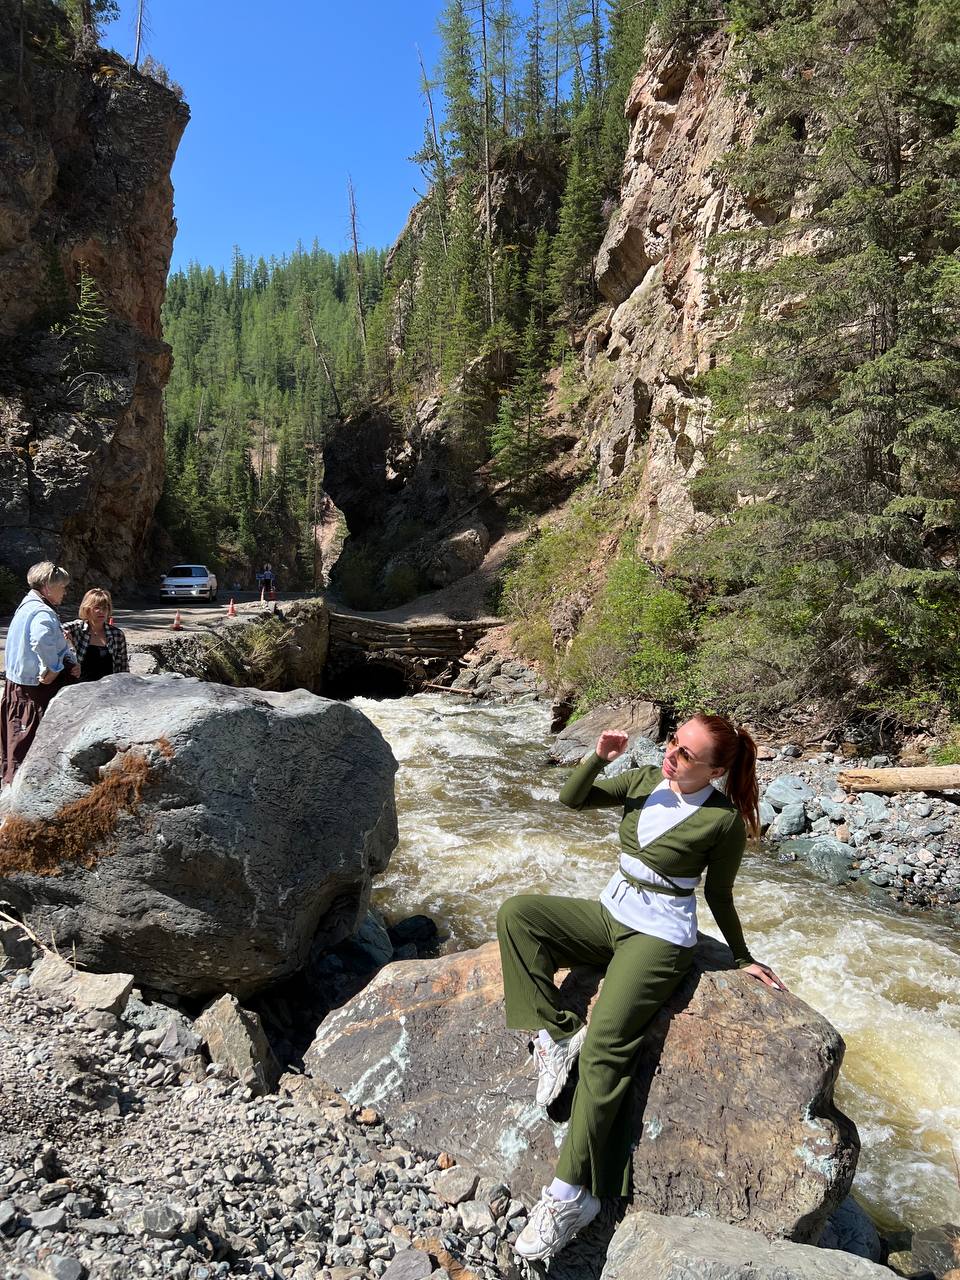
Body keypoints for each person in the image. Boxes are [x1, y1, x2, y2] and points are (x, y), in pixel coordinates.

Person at [496, 715, 788, 1263]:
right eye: (673, 743)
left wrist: (743, 956)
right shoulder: (640, 783)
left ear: (717, 770)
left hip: (659, 939)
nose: (671, 756)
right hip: (610, 913)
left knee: (607, 1046)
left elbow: (720, 896)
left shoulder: (722, 823)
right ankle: (557, 1035)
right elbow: (570, 799)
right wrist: (598, 758)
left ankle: (570, 1196)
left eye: (686, 754)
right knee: (518, 914)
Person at [1, 562, 79, 785]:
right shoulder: (41, 611)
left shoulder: (26, 605)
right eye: (62, 587)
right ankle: (18, 800)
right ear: (47, 587)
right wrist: (53, 669)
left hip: (18, 685)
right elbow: (41, 639)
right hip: (33, 691)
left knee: (15, 742)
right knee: (25, 745)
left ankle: (10, 788)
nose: (64, 591)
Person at [63, 588, 129, 682]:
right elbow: (55, 629)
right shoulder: (77, 628)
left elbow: (123, 668)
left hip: (109, 689)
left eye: (105, 608)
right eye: (97, 607)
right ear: (87, 609)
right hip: (80, 688)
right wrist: (65, 636)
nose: (101, 611)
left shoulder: (117, 635)